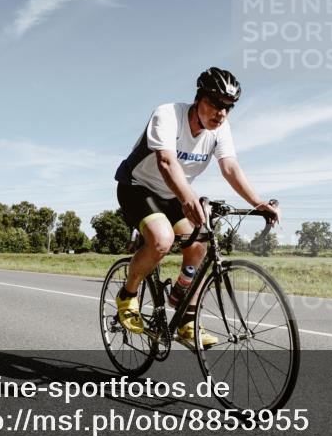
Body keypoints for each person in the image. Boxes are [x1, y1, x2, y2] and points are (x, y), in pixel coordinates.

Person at [113, 67, 280, 347]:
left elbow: (230, 168)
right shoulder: (167, 115)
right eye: (216, 103)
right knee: (162, 240)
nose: (222, 113)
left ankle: (186, 318)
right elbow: (166, 162)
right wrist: (190, 198)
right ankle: (128, 295)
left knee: (200, 246)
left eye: (229, 107)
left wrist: (258, 203)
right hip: (137, 187)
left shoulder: (220, 130)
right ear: (199, 98)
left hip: (175, 194)